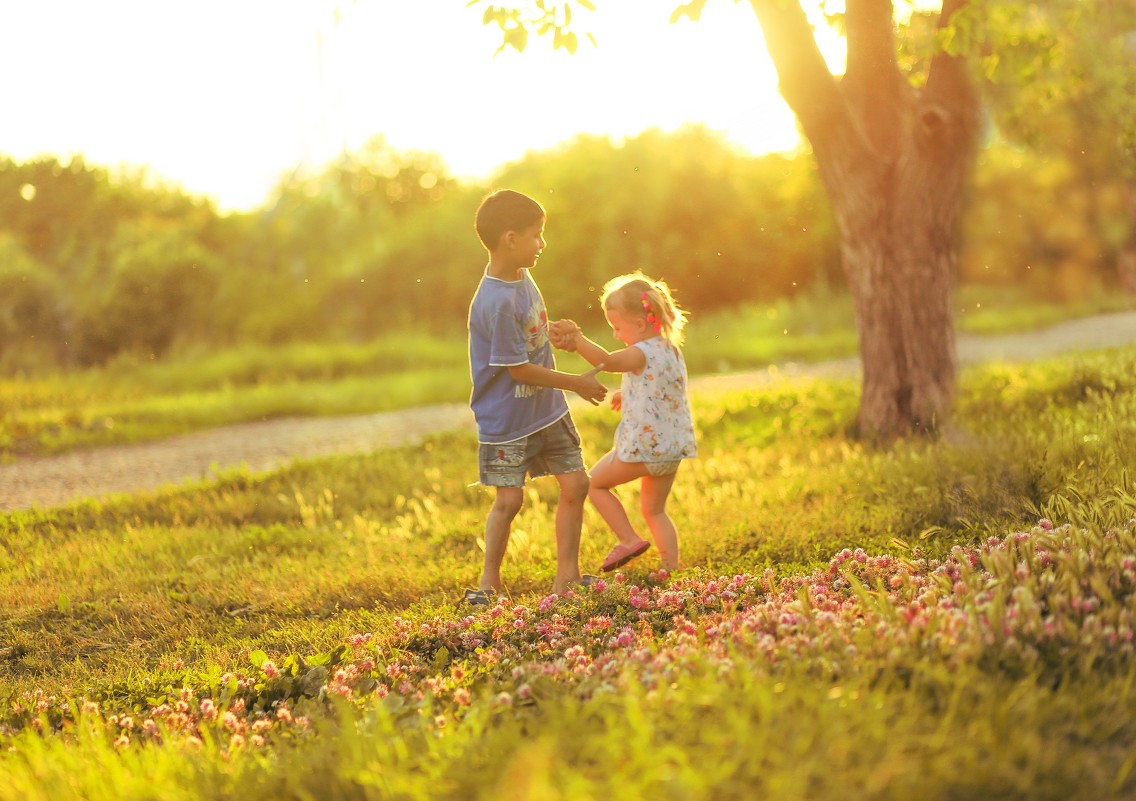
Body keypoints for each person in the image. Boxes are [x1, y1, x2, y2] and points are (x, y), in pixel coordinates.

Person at [465, 189, 608, 607]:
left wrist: (556, 334)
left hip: (546, 410)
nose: (542, 244)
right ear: (510, 239)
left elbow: (530, 333)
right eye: (536, 235)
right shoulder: (497, 301)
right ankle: (489, 585)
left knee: (576, 483)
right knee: (509, 500)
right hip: (507, 419)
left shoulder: (521, 276)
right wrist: (577, 383)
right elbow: (518, 369)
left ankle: (567, 578)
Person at [549, 272, 696, 573]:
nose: (616, 334)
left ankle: (628, 539)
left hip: (646, 448)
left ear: (640, 325)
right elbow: (661, 389)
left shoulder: (640, 352)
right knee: (655, 510)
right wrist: (628, 394)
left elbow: (609, 361)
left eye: (617, 327)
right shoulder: (669, 349)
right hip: (672, 449)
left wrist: (577, 341)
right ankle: (670, 567)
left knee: (594, 484)